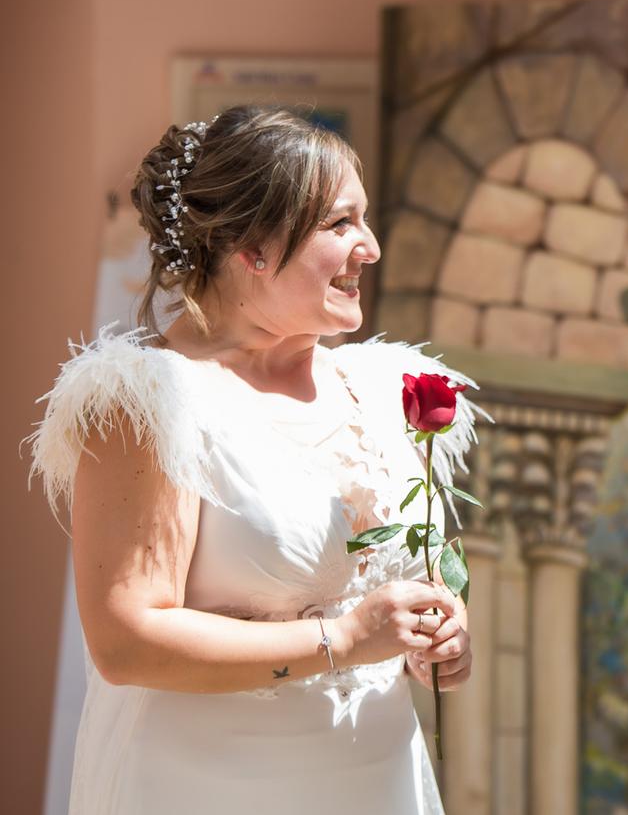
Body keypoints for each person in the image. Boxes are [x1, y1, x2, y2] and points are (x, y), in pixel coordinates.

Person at [28, 105, 479, 815]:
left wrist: (436, 633)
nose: (371, 247)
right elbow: (126, 639)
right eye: (340, 224)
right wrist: (347, 637)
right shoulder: (152, 400)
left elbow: (391, 586)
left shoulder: (386, 390)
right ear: (252, 245)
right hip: (206, 788)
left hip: (374, 780)